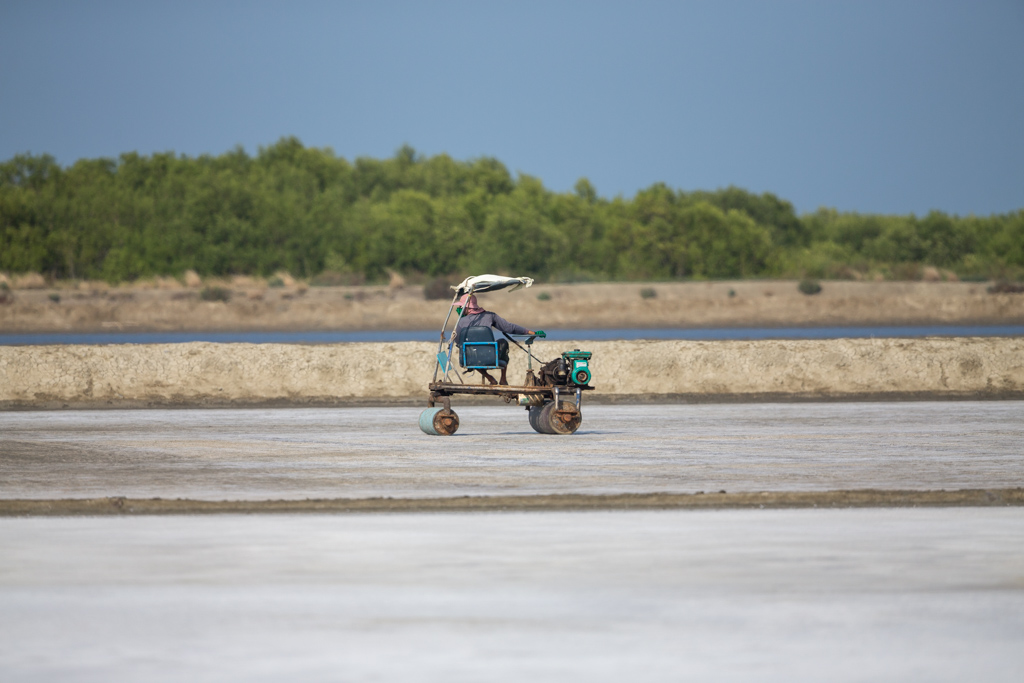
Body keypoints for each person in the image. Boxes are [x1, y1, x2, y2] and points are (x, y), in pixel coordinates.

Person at [453, 293, 536, 385]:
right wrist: (528, 331)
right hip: (490, 355)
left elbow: (457, 340)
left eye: (461, 306)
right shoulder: (490, 315)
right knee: (503, 342)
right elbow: (508, 327)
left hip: (472, 357)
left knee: (469, 350)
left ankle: (490, 378)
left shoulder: (461, 321)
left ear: (466, 307)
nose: (460, 309)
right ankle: (503, 378)